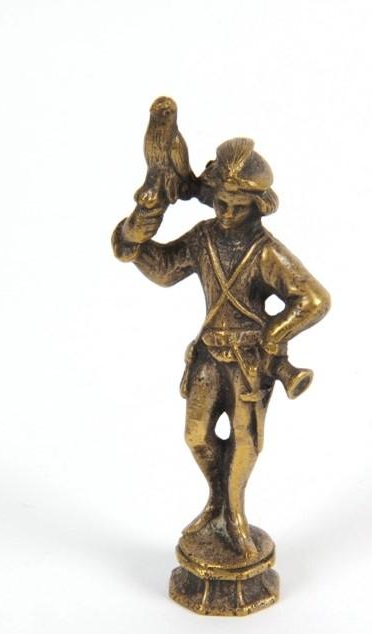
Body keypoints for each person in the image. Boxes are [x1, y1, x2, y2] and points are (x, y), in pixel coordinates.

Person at [112, 137, 330, 561]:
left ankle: (235, 516)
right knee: (196, 436)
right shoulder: (203, 238)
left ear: (258, 206)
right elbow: (165, 269)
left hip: (250, 364)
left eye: (238, 207)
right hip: (209, 355)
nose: (227, 214)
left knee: (245, 441)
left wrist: (274, 336)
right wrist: (134, 234)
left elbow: (314, 300)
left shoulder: (267, 251)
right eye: (222, 204)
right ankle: (217, 503)